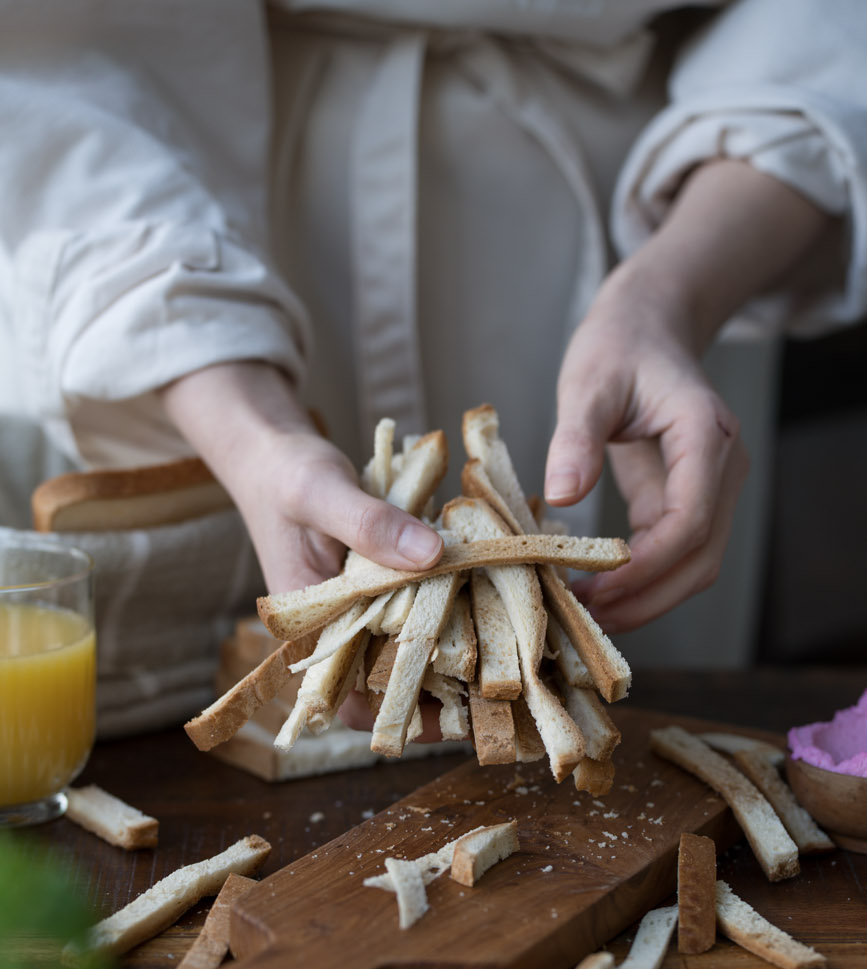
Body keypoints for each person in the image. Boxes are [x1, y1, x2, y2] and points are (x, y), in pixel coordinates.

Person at [0, 1, 865, 730]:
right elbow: (74, 53)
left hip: (681, 205)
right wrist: (252, 429)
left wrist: (667, 298)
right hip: (225, 216)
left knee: (636, 710)